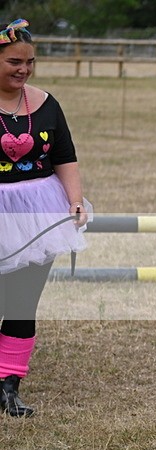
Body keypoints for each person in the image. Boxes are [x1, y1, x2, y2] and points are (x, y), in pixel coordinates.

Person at [0, 19, 90, 417]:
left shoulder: (47, 104)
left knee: (22, 302)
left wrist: (74, 201)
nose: (23, 70)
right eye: (14, 62)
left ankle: (8, 386)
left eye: (30, 62)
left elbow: (64, 157)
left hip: (39, 214)